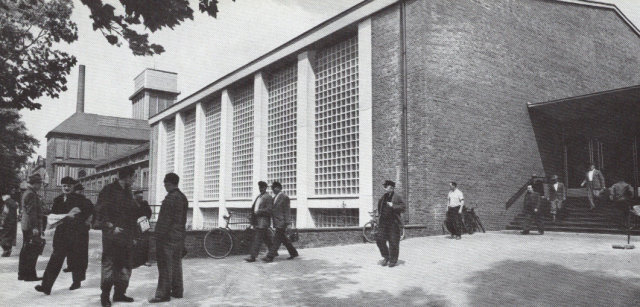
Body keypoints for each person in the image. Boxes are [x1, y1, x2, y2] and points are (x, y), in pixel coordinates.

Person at [35, 177, 93, 295]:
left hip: (77, 234)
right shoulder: (58, 200)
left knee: (77, 258)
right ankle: (46, 286)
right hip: (61, 234)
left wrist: (81, 220)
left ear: (73, 187)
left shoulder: (81, 200)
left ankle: (76, 281)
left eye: (69, 186)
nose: (66, 188)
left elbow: (90, 213)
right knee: (55, 259)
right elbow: (53, 215)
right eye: (64, 186)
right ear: (61, 187)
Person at [95, 167, 139, 307]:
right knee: (109, 265)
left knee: (125, 265)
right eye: (134, 177)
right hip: (112, 236)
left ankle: (119, 293)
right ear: (127, 176)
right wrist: (111, 227)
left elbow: (132, 214)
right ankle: (105, 296)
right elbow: (100, 211)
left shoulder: (128, 192)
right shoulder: (108, 190)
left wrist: (134, 234)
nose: (134, 180)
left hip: (126, 236)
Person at [149, 173, 188, 303]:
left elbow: (164, 222)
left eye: (165, 183)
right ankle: (177, 291)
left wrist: (157, 237)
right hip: (178, 236)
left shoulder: (170, 199)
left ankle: (162, 294)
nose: (164, 186)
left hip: (167, 237)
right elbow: (183, 220)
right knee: (176, 264)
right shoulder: (183, 197)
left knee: (165, 265)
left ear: (168, 183)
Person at [62, 183, 95, 283]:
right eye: (77, 191)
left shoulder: (82, 201)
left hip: (79, 231)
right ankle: (76, 272)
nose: (78, 193)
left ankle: (78, 278)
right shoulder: (76, 201)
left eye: (79, 191)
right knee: (77, 253)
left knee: (79, 254)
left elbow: (92, 214)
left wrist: (87, 222)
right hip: (77, 230)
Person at [263, 181, 298, 262]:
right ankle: (293, 252)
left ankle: (270, 256)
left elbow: (287, 211)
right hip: (277, 222)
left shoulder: (284, 197)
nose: (273, 190)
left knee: (276, 240)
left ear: (279, 188)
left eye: (274, 188)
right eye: (272, 188)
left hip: (282, 222)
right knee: (283, 239)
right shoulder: (274, 198)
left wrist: (288, 223)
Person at [18, 173, 45, 282]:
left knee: (26, 250)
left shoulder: (27, 192)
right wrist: (35, 227)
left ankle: (22, 274)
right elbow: (32, 212)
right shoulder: (31, 194)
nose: (40, 186)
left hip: (26, 225)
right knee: (32, 251)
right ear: (35, 184)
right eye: (40, 184)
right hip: (31, 226)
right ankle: (29, 276)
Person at [375, 180, 406, 268]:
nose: (385, 188)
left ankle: (393, 260)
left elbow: (403, 207)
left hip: (393, 223)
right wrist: (378, 218)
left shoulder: (397, 197)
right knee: (379, 239)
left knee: (393, 242)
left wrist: (393, 205)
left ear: (392, 188)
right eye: (385, 187)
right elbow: (379, 208)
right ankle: (386, 256)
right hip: (383, 223)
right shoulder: (383, 197)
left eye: (387, 187)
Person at [245, 181, 274, 262]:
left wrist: (259, 211)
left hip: (263, 222)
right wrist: (252, 215)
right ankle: (273, 252)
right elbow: (254, 207)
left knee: (257, 239)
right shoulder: (259, 197)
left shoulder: (268, 197)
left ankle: (253, 256)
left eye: (262, 187)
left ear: (265, 188)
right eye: (260, 187)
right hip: (257, 221)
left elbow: (269, 210)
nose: (261, 189)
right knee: (266, 239)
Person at [1, 185, 19, 257]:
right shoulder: (12, 202)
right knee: (8, 236)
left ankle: (6, 250)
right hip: (11, 221)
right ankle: (7, 250)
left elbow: (5, 213)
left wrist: (2, 221)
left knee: (5, 236)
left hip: (8, 222)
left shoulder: (7, 202)